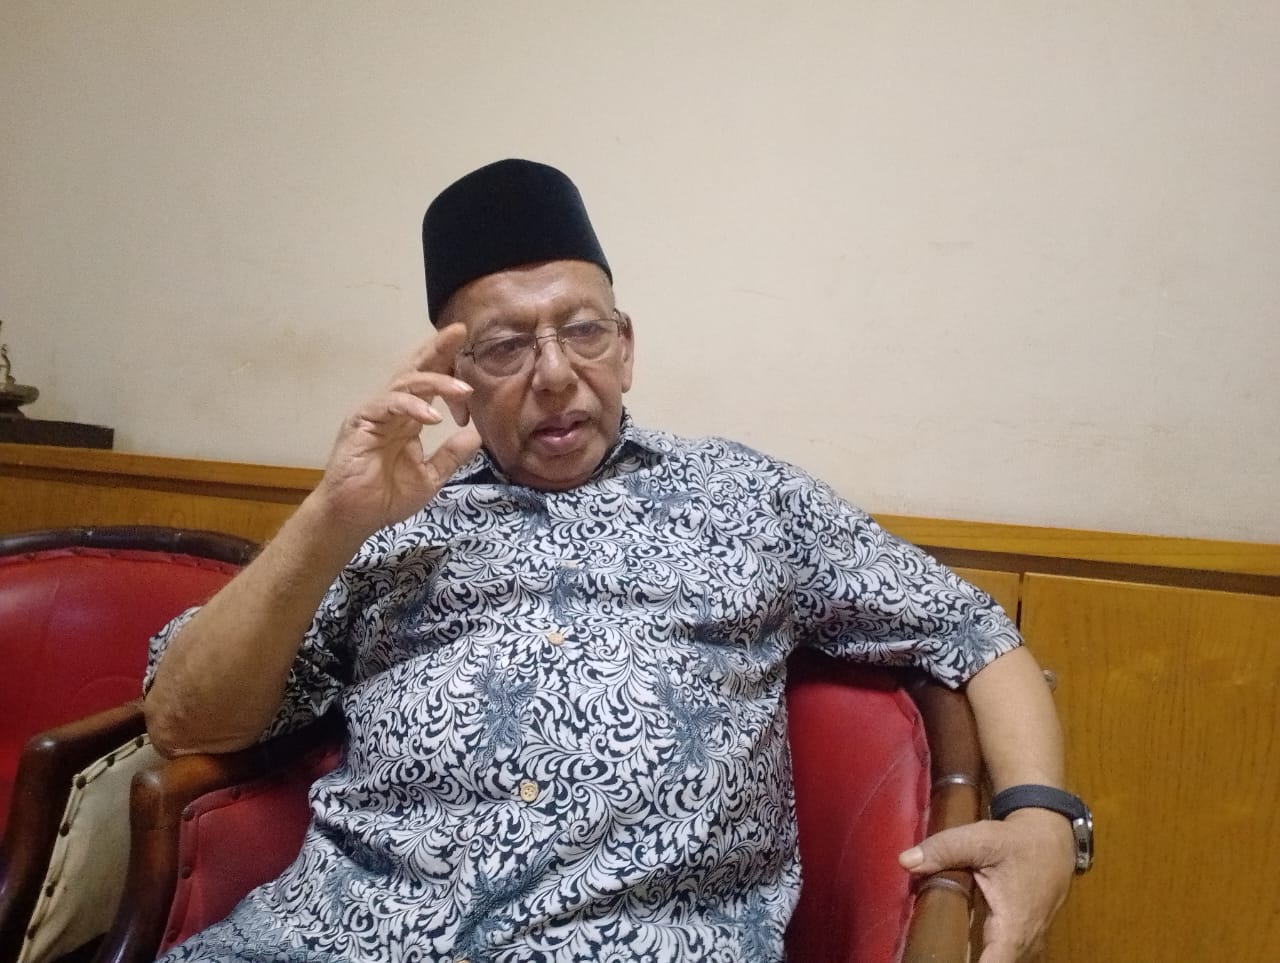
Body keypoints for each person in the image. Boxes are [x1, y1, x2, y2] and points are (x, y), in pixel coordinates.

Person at [144, 159, 1085, 963]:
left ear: (625, 347)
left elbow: (973, 631)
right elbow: (185, 722)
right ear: (455, 382)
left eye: (583, 330)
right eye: (505, 346)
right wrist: (328, 519)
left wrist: (1045, 819)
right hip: (331, 937)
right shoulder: (385, 517)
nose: (555, 372)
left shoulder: (746, 497)